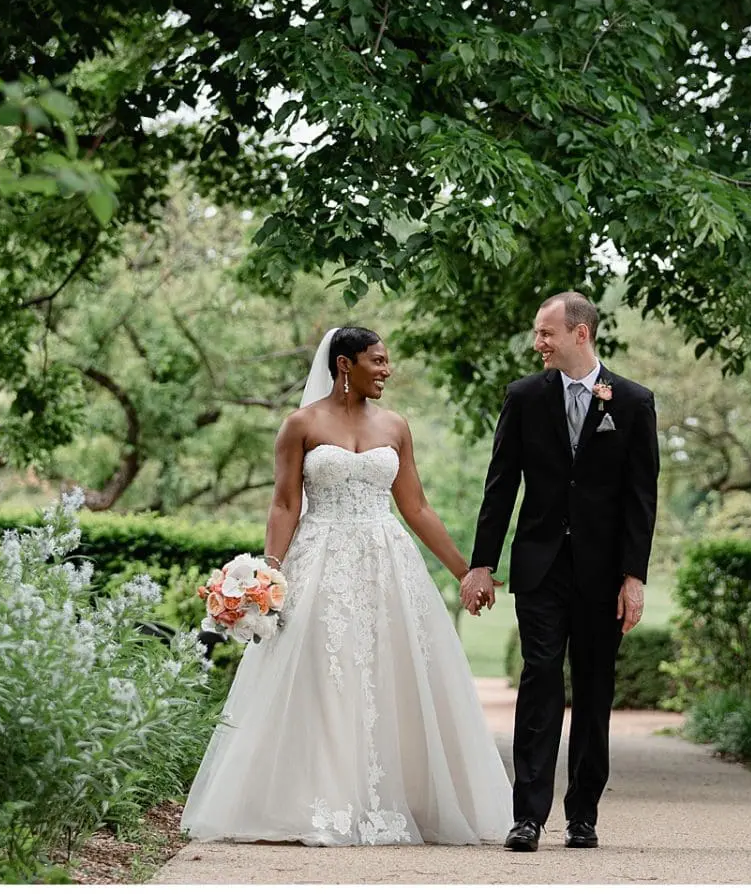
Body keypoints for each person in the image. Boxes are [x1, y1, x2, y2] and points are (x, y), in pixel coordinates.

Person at [180, 326, 512, 845]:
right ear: (343, 364)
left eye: (387, 362)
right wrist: (268, 576)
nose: (386, 370)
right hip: (319, 563)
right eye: (377, 361)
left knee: (389, 675)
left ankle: (396, 801)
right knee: (323, 676)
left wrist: (467, 570)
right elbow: (285, 504)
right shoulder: (300, 425)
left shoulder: (396, 426)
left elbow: (416, 508)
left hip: (387, 563)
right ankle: (323, 801)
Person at [461, 291, 660, 852]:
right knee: (540, 679)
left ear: (581, 334)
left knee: (595, 691)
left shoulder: (635, 402)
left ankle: (583, 816)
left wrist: (633, 576)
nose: (538, 342)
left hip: (603, 575)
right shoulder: (524, 397)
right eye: (536, 332)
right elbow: (500, 486)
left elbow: (641, 498)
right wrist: (482, 562)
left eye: (546, 332)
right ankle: (526, 816)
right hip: (541, 567)